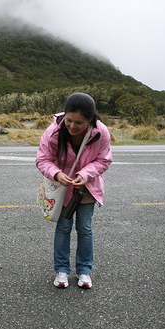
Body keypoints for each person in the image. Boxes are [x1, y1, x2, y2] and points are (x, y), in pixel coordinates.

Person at [36, 92, 113, 289]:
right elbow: (43, 159)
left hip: (87, 187)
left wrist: (85, 175)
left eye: (79, 122)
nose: (72, 126)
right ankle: (61, 270)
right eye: (69, 120)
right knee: (63, 227)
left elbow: (104, 159)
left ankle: (85, 271)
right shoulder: (54, 131)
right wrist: (56, 174)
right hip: (62, 187)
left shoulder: (100, 132)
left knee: (85, 228)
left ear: (90, 119)